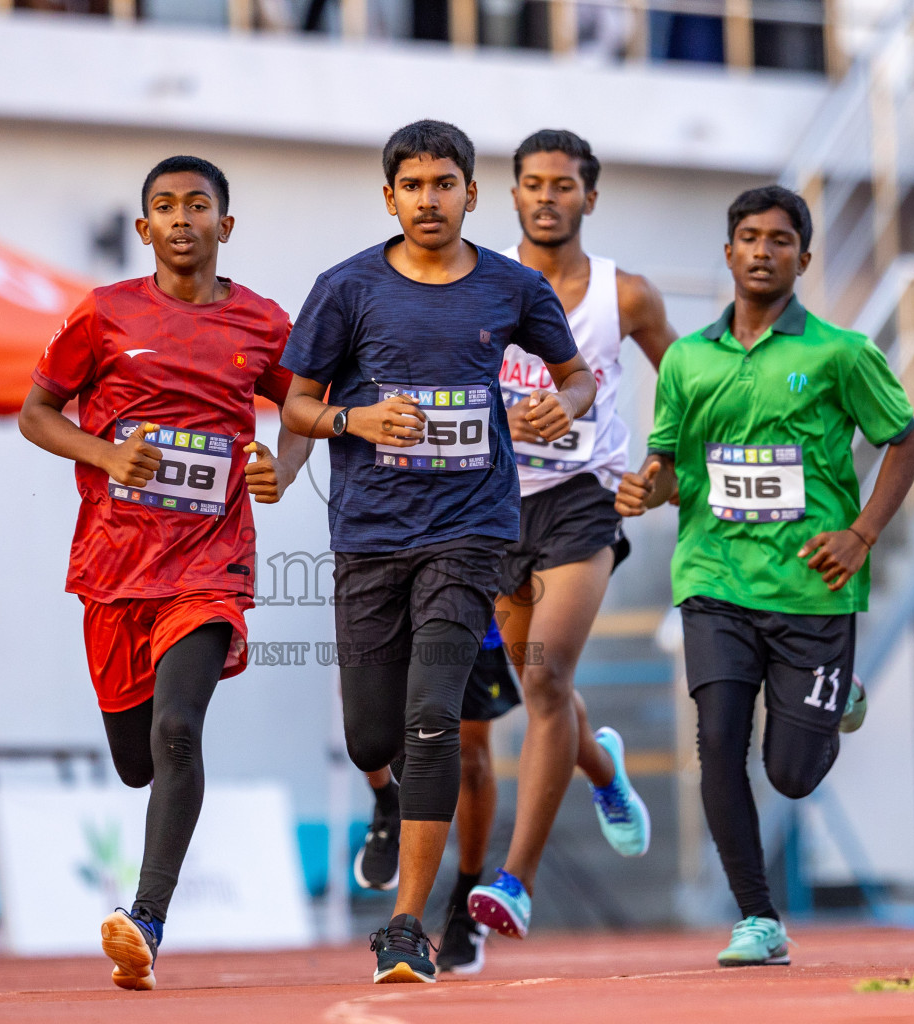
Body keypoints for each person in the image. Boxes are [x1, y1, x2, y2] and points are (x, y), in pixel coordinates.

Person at [280, 119, 594, 984]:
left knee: (434, 722)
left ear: (470, 193)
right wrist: (355, 420)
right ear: (390, 197)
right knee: (370, 733)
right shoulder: (344, 288)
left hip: (471, 532)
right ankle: (386, 804)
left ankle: (407, 924)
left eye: (444, 184)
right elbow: (298, 403)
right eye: (412, 186)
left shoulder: (511, 286)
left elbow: (576, 373)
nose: (429, 199)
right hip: (371, 536)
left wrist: (564, 403)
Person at [19, 155, 311, 992]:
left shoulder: (261, 322)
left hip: (210, 564)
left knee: (178, 730)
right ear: (144, 230)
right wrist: (107, 451)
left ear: (226, 224)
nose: (182, 218)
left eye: (198, 205)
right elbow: (36, 413)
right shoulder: (103, 315)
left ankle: (145, 919)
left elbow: (302, 407)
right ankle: (147, 871)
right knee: (138, 758)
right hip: (114, 567)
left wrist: (282, 468)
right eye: (163, 207)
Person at [616, 185, 914, 966]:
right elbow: (679, 470)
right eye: (748, 237)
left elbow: (907, 442)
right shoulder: (687, 359)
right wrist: (644, 487)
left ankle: (834, 692)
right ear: (728, 253)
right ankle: (757, 917)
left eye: (779, 239)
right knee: (718, 742)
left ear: (803, 258)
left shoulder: (840, 353)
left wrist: (862, 533)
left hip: (811, 586)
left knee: (789, 775)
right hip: (714, 577)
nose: (761, 250)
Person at [464, 128, 672, 944]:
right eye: (533, 184)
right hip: (495, 506)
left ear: (590, 196)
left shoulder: (626, 296)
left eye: (564, 185)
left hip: (583, 501)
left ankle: (516, 883)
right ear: (511, 195)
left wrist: (663, 468)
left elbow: (692, 385)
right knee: (531, 683)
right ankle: (604, 768)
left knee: (547, 683)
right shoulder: (478, 288)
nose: (548, 197)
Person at [350, 617, 521, 977]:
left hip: (460, 588)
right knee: (368, 721)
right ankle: (386, 805)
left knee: (469, 753)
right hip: (383, 577)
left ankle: (464, 899)